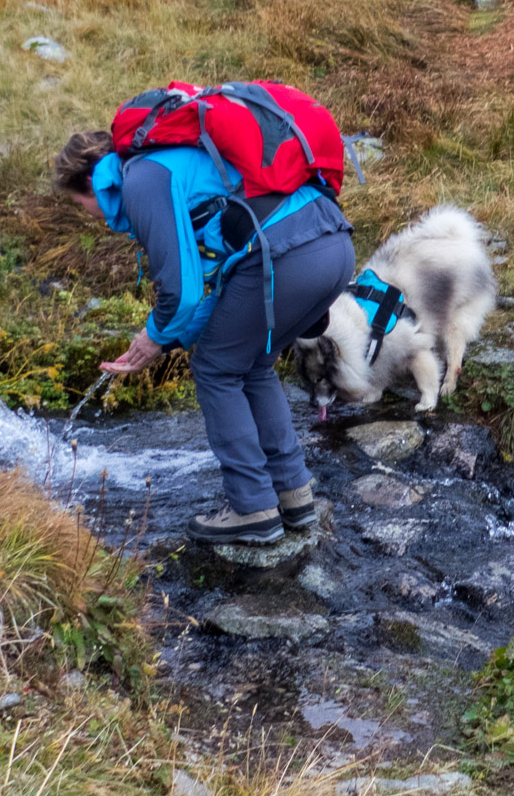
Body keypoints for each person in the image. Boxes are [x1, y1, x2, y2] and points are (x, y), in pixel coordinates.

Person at [52, 130, 355, 545]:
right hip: (332, 244)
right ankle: (294, 496)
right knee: (252, 364)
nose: (86, 213)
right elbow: (215, 292)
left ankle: (253, 509)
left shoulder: (141, 179)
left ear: (88, 181)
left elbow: (182, 291)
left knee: (215, 369)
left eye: (77, 204)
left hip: (289, 253)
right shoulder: (176, 165)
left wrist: (153, 338)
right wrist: (170, 339)